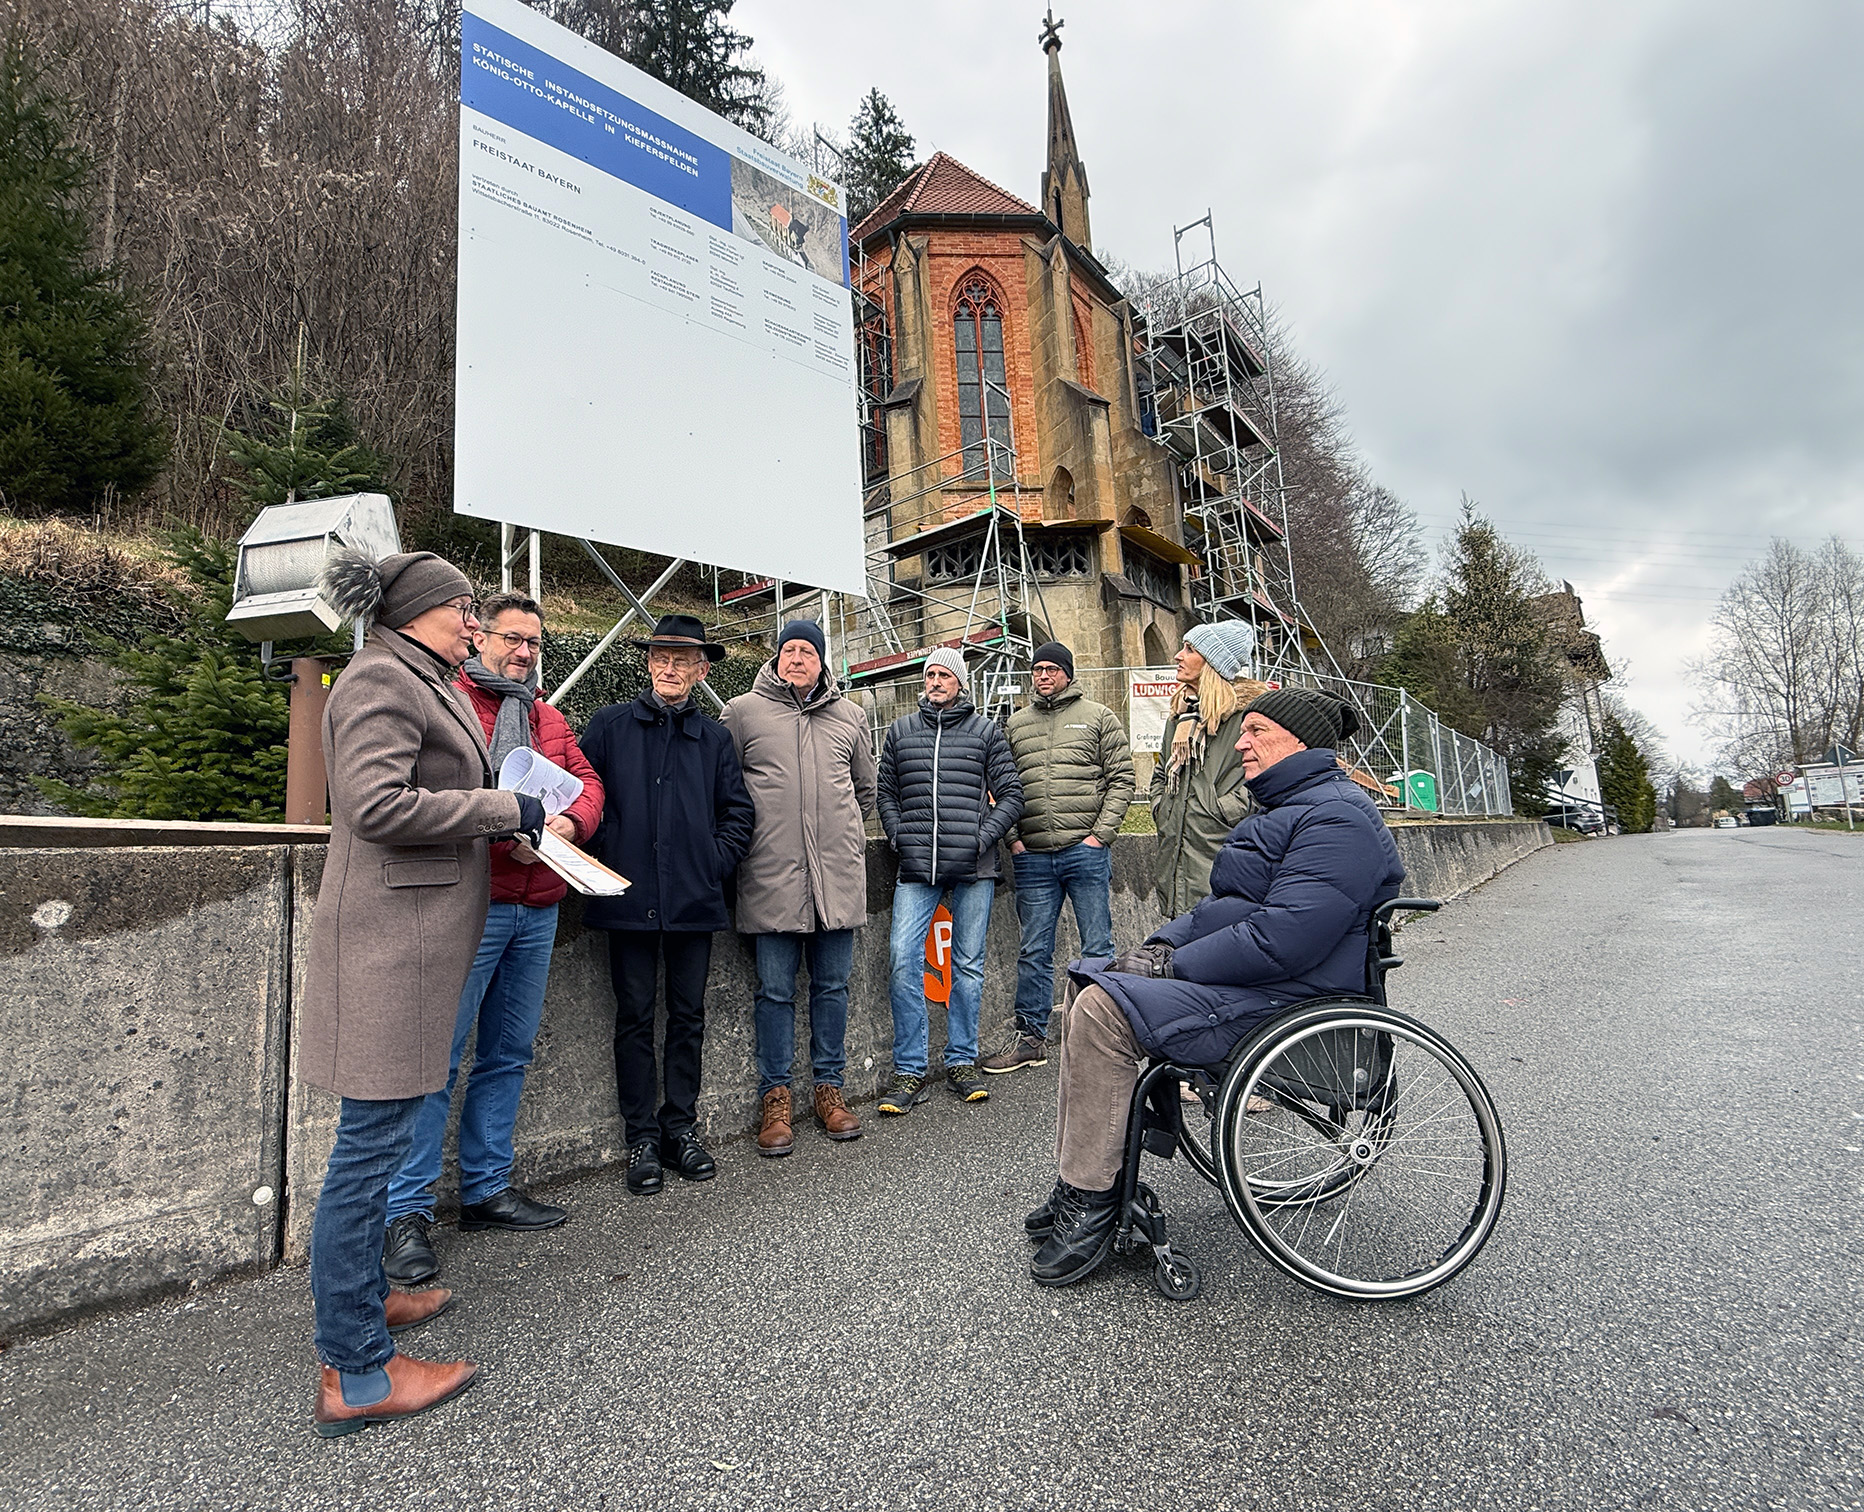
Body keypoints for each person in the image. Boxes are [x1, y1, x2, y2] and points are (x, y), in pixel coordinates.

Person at [1028, 688, 1405, 1288]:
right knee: (1089, 982)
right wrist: (1156, 947)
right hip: (1266, 984)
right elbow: (1219, 911)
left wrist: (1173, 969)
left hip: (1291, 998)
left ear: (1299, 743)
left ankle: (1094, 1202)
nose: (1243, 743)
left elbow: (1285, 937)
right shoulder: (1285, 808)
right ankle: (1085, 1175)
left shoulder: (1335, 816)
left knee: (1104, 1010)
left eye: (1256, 731)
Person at [303, 549, 545, 1436]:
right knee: (365, 1158)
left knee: (377, 1142)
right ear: (417, 613)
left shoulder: (412, 675)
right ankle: (358, 1375)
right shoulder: (381, 680)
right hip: (388, 953)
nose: (474, 624)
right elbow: (376, 806)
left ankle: (361, 1303)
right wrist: (501, 812)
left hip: (409, 948)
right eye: (464, 610)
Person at [380, 592, 605, 1287]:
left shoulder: (545, 716)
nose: (524, 652)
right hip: (468, 905)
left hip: (537, 905)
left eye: (535, 643)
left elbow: (588, 785)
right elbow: (413, 796)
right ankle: (405, 1213)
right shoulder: (447, 705)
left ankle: (485, 1189)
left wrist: (570, 826)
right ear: (480, 639)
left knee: (508, 1053)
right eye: (512, 638)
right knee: (436, 1060)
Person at [578, 615, 755, 1196]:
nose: (670, 667)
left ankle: (679, 1128)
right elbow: (582, 797)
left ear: (702, 669)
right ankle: (642, 1138)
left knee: (688, 1018)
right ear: (648, 663)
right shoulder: (609, 726)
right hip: (626, 897)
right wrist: (604, 855)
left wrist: (711, 861)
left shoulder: (714, 738)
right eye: (661, 656)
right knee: (633, 1018)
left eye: (683, 659)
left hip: (691, 899)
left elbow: (738, 813)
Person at [721, 620, 877, 1156]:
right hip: (770, 877)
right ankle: (776, 1098)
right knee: (774, 992)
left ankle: (829, 1091)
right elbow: (725, 788)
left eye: (806, 651)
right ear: (776, 657)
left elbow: (865, 790)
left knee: (833, 988)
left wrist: (847, 837)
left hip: (836, 879)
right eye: (787, 649)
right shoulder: (742, 713)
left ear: (821, 661)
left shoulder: (851, 716)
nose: (796, 658)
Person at [874, 648, 1024, 1111]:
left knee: (968, 965)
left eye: (944, 675)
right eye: (930, 675)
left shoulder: (986, 732)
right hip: (918, 867)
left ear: (960, 683)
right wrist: (899, 836)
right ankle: (910, 1069)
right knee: (902, 959)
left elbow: (1012, 795)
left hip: (974, 866)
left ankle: (962, 1061)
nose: (935, 681)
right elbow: (885, 791)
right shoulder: (901, 732)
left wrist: (983, 838)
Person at [982, 640, 1134, 1075]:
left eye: (1052, 669)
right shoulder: (1015, 724)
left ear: (1068, 674)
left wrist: (1100, 835)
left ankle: (1102, 1035)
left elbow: (1122, 777)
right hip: (1031, 855)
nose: (1043, 676)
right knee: (1033, 950)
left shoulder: (1098, 717)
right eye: (1037, 669)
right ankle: (1031, 1038)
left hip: (1083, 851)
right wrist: (1013, 839)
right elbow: (999, 785)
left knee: (1097, 947)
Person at [1149, 623, 1267, 917]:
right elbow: (1161, 773)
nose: (1178, 655)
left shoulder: (1250, 715)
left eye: (1190, 649)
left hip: (1221, 851)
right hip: (1175, 857)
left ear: (1213, 662)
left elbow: (1266, 779)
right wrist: (1161, 807)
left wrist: (1222, 810)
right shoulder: (1181, 714)